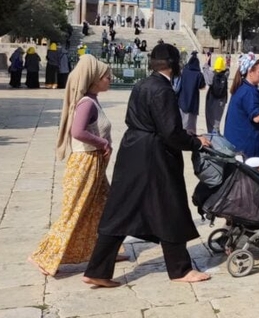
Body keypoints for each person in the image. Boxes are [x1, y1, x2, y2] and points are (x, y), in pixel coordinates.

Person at [83, 44, 212, 287]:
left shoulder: (142, 84)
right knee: (170, 208)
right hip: (154, 156)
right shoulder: (162, 90)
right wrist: (196, 142)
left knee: (120, 209)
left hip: (132, 149)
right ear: (174, 64)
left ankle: (98, 269)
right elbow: (171, 133)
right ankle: (181, 270)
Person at [29, 55, 122, 276]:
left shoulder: (93, 99)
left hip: (95, 163)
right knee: (75, 210)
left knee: (103, 208)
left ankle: (104, 251)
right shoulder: (86, 104)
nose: (110, 79)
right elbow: (77, 131)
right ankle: (45, 256)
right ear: (94, 79)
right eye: (106, 76)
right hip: (85, 164)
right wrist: (103, 143)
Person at [177, 53, 205, 135]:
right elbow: (202, 87)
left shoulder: (184, 72)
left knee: (182, 120)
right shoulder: (199, 74)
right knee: (191, 123)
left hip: (182, 100)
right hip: (193, 101)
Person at [204, 57, 229, 133]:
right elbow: (227, 68)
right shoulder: (226, 74)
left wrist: (206, 62)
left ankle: (212, 136)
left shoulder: (212, 75)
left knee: (210, 119)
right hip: (222, 100)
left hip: (212, 99)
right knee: (217, 121)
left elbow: (205, 70)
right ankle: (216, 133)